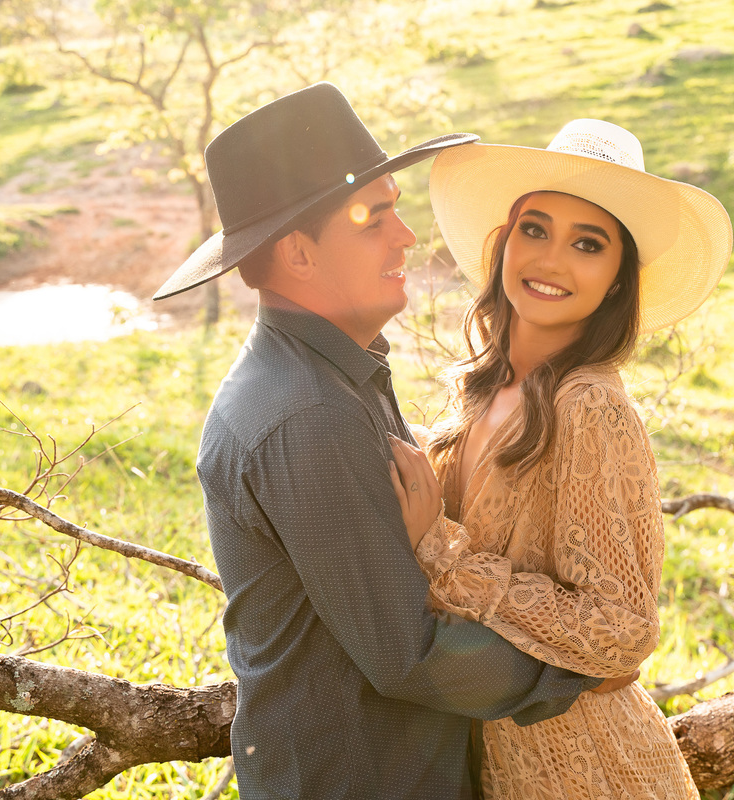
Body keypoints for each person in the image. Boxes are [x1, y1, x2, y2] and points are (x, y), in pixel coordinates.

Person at [153, 83, 622, 800]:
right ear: (301, 256)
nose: (406, 236)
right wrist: (579, 668)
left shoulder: (331, 376)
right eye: (374, 218)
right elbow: (411, 655)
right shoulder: (307, 415)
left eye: (397, 210)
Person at [387, 119, 733, 798]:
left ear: (615, 281)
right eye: (535, 229)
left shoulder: (592, 410)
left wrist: (444, 554)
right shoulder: (478, 390)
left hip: (592, 772)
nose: (550, 260)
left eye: (588, 244)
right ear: (504, 242)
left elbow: (620, 634)